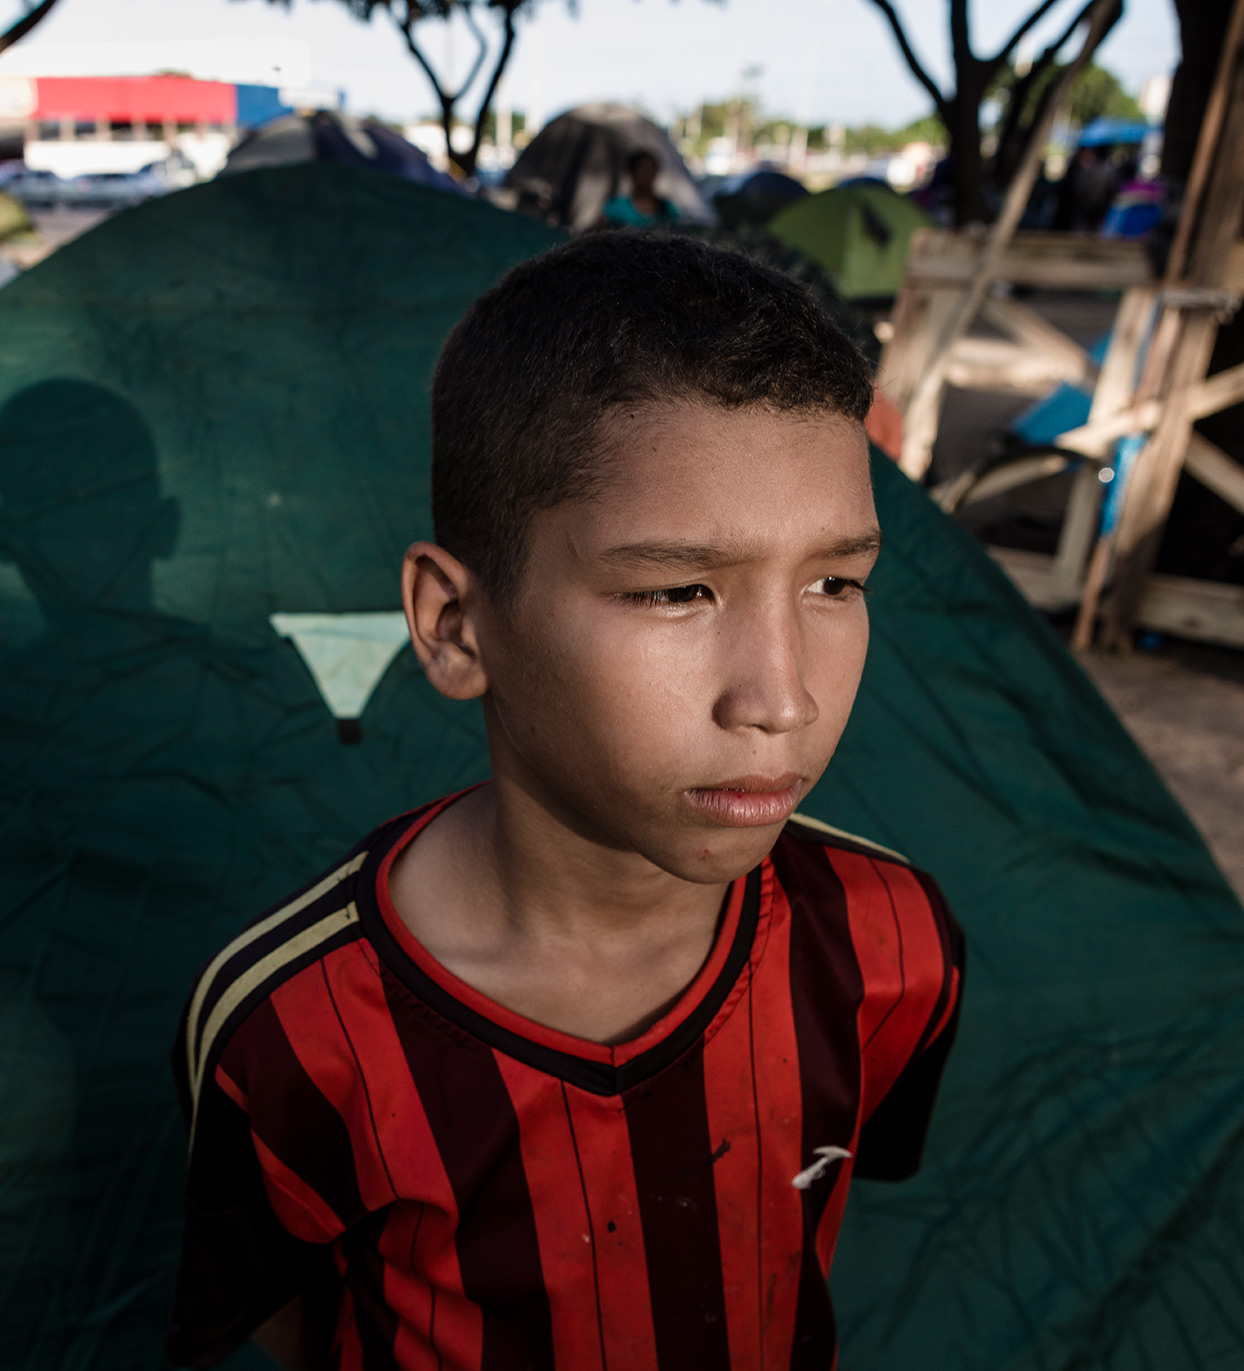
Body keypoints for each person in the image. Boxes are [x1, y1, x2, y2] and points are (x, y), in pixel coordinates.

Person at [165, 233, 965, 1370]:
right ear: (454, 625)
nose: (781, 698)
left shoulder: (891, 946)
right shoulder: (293, 1029)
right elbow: (290, 1314)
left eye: (835, 582)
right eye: (678, 590)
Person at [600, 148, 676, 227]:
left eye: (651, 171)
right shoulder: (616, 207)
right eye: (643, 171)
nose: (647, 176)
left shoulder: (667, 208)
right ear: (632, 173)